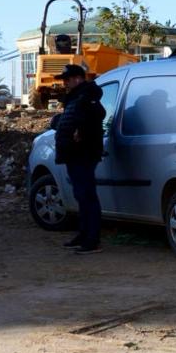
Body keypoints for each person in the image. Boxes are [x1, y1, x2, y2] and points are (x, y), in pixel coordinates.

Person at [53, 64, 106, 254]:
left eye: (67, 79)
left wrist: (82, 132)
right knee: (81, 195)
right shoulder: (77, 97)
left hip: (83, 153)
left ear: (78, 78)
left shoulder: (88, 95)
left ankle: (92, 240)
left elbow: (98, 114)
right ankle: (84, 234)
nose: (65, 83)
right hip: (74, 153)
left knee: (86, 195)